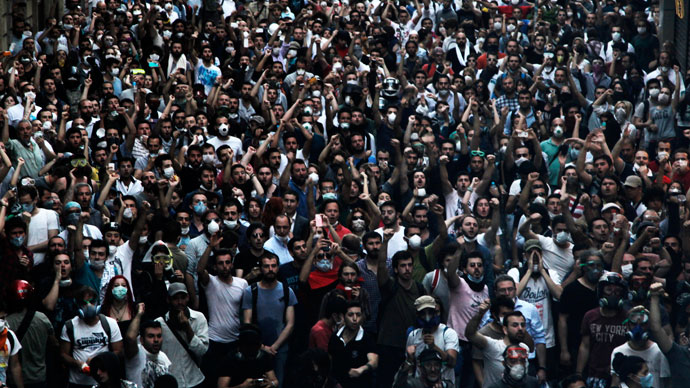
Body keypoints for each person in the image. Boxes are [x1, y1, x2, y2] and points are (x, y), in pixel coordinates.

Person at [242, 254, 298, 388]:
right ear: (261, 269)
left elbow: (290, 323)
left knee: (277, 383)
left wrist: (275, 347)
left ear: (278, 268)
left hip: (280, 348)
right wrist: (261, 347)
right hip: (256, 348)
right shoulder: (251, 291)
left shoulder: (286, 291)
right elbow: (247, 322)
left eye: (273, 266)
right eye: (266, 266)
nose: (270, 269)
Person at [59, 286, 123, 388]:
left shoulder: (110, 324)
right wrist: (78, 363)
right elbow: (63, 354)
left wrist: (99, 360)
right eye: (84, 303)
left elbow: (118, 351)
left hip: (102, 382)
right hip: (78, 382)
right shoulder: (70, 326)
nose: (89, 306)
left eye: (92, 302)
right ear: (78, 305)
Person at [155, 283, 209, 388]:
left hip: (194, 379)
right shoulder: (159, 323)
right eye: (175, 298)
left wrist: (188, 328)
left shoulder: (199, 318)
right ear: (168, 300)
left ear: (188, 298)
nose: (180, 302)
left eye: (183, 298)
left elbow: (202, 351)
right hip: (172, 381)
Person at [405, 296, 459, 384]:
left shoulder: (448, 333)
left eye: (430, 312)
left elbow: (452, 363)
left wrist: (434, 347)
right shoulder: (413, 335)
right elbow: (410, 367)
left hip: (443, 383)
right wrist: (409, 359)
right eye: (423, 313)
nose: (427, 317)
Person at [327, 302, 378, 388]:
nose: (355, 319)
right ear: (343, 317)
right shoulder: (335, 337)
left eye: (358, 315)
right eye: (350, 315)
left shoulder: (367, 338)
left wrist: (362, 369)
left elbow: (374, 361)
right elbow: (329, 362)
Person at [124, 304, 171, 388]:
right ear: (141, 340)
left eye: (159, 336)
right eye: (151, 336)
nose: (156, 340)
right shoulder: (136, 354)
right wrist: (139, 314)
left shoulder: (163, 357)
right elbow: (130, 338)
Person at [217, 324, 279, 388]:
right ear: (240, 347)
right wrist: (242, 386)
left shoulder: (264, 357)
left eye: (253, 347)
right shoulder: (230, 359)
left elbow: (275, 381)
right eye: (248, 347)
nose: (251, 350)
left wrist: (271, 384)